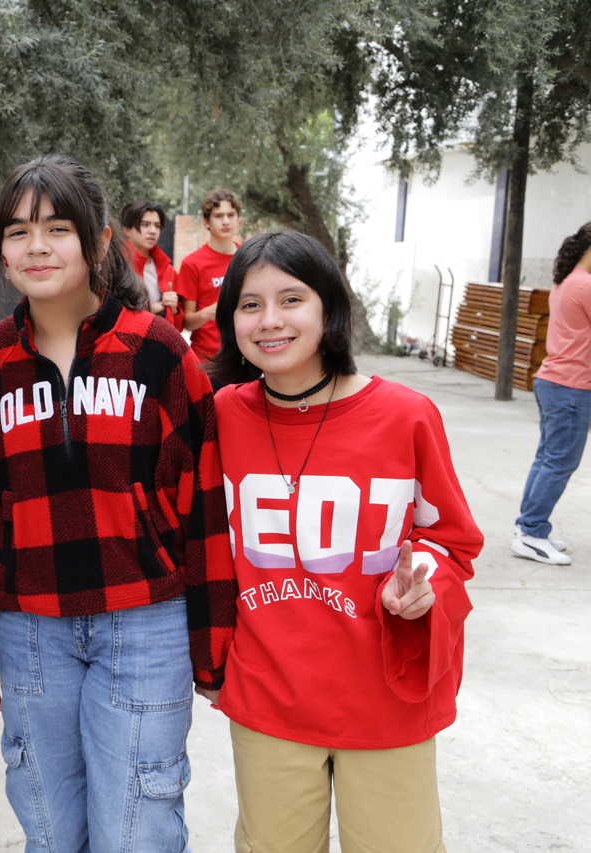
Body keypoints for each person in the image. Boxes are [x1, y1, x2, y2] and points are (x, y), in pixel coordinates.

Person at [0, 155, 236, 853]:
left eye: (58, 227)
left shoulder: (158, 351)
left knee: (138, 827)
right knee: (50, 829)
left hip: (144, 625)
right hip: (30, 632)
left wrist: (212, 648)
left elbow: (204, 503)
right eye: (18, 232)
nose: (37, 246)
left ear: (100, 240)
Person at [205, 229, 482, 853]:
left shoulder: (407, 415)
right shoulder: (220, 415)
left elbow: (452, 543)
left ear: (329, 308)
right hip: (268, 698)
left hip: (387, 699)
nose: (269, 321)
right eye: (249, 305)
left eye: (291, 299)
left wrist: (425, 586)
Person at [513, 221, 591, 565]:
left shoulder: (568, 281)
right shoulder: (585, 284)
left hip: (556, 382)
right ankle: (530, 533)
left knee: (549, 459)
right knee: (559, 462)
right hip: (571, 385)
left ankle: (530, 528)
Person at [178, 189, 242, 366]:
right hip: (207, 361)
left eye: (231, 215)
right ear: (206, 221)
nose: (226, 221)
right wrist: (207, 313)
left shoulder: (249, 256)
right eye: (218, 216)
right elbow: (187, 323)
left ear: (238, 219)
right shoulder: (192, 263)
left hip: (244, 357)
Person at [121, 200, 183, 331]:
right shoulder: (117, 266)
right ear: (126, 230)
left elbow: (178, 327)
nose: (153, 231)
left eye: (157, 225)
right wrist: (153, 307)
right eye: (145, 225)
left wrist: (174, 309)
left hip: (160, 344)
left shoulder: (168, 270)